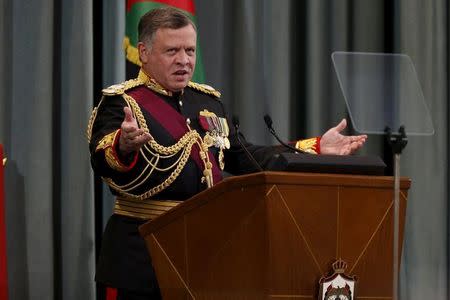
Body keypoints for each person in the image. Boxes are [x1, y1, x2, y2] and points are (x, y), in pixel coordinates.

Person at [87, 6, 367, 300]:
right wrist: (123, 145)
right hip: (141, 258)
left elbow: (244, 156)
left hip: (206, 253)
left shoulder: (206, 102)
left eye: (190, 50)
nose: (184, 60)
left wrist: (316, 147)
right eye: (172, 51)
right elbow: (101, 158)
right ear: (143, 52)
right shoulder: (123, 103)